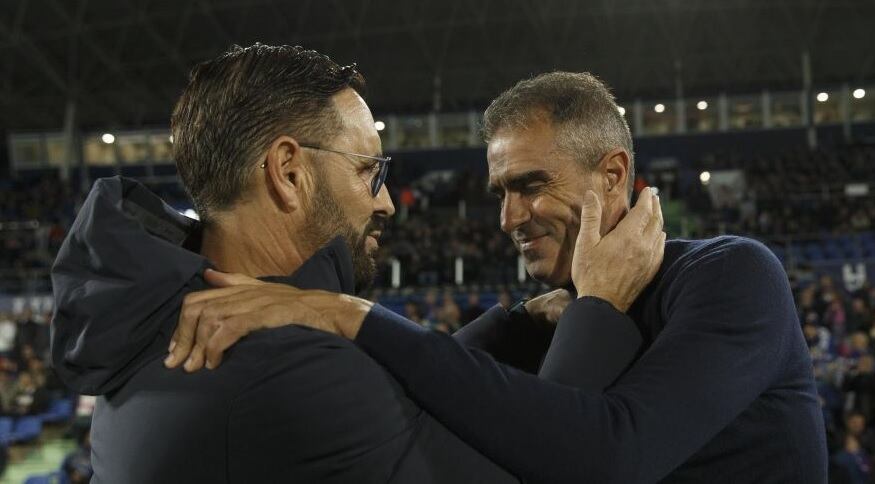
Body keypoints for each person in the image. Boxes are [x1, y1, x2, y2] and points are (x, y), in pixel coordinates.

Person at [171, 72, 827, 483]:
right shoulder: (550, 315)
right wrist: (515, 320)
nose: (510, 217)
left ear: (612, 175)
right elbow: (425, 413)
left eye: (531, 186)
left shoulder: (731, 275)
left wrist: (345, 312)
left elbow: (609, 457)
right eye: (500, 192)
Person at [50, 45, 661, 483]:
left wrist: (512, 327)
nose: (387, 202)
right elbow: (543, 461)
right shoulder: (286, 369)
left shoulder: (156, 327)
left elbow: (401, 406)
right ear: (289, 173)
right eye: (370, 171)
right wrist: (600, 312)